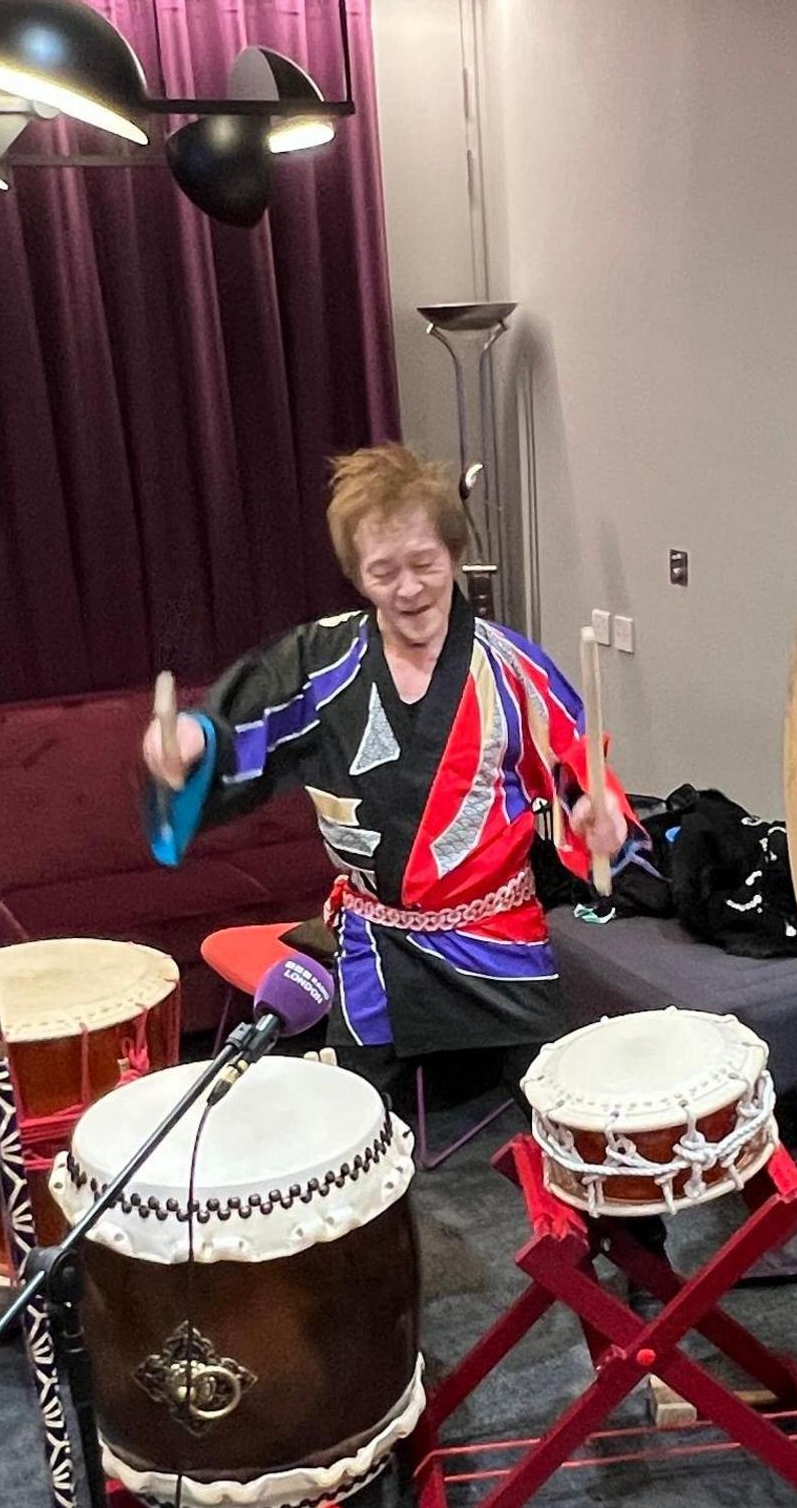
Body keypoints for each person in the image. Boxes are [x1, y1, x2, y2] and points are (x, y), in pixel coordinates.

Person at [140, 443, 644, 1101]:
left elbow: (581, 771)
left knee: (563, 1114)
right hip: (376, 946)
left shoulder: (513, 669)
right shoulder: (318, 663)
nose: (407, 588)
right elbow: (237, 726)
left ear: (454, 556)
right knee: (358, 1129)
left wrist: (600, 817)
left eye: (424, 564)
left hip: (498, 940)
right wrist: (191, 741)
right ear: (357, 575)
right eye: (383, 572)